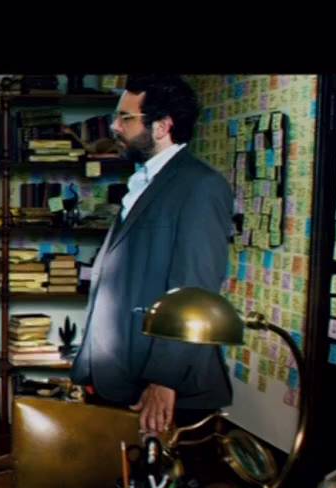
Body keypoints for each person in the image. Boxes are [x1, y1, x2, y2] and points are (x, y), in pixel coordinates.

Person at [70, 75, 234, 435]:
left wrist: (165, 379)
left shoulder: (200, 186)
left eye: (125, 118)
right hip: (120, 373)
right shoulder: (145, 181)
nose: (115, 126)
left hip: (160, 386)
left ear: (162, 127)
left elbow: (194, 292)